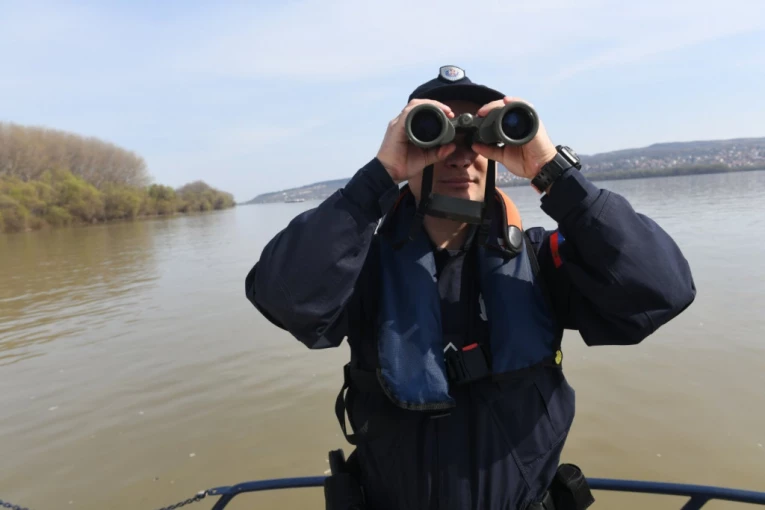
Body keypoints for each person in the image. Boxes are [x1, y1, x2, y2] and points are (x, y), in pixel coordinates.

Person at [244, 65, 696, 510]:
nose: (460, 156)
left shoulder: (541, 260)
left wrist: (552, 171)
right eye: (434, 136)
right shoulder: (361, 268)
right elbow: (284, 297)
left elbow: (662, 289)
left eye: (480, 138)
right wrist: (378, 177)